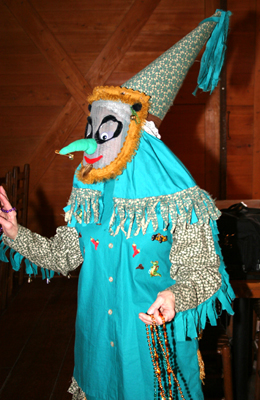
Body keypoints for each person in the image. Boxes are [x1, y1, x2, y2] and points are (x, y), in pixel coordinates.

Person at [0, 10, 234, 400]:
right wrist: (13, 233)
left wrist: (176, 296)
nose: (93, 146)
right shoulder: (90, 197)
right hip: (97, 353)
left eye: (105, 135)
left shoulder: (183, 204)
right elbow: (63, 255)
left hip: (153, 354)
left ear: (140, 142)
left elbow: (206, 274)